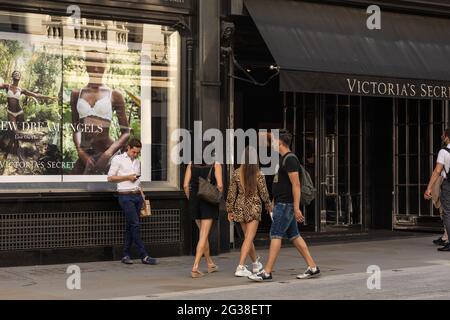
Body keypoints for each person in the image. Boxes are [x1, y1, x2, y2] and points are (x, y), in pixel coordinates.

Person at [249, 130, 320, 281]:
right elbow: (282, 183)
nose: (272, 144)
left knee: (275, 235)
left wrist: (295, 207)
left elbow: (296, 185)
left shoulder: (290, 159)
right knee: (294, 236)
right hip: (282, 203)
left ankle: (267, 272)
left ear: (280, 142)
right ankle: (313, 267)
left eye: (274, 141)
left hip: (286, 205)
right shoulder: (283, 159)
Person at [70, 50, 130, 175]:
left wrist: (108, 154)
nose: (96, 68)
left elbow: (126, 133)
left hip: (108, 153)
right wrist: (81, 152)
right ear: (86, 64)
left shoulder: (114, 95)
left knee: (108, 192)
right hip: (86, 154)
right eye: (92, 62)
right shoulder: (77, 94)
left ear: (105, 65)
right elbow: (76, 127)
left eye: (100, 63)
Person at [107, 138, 157, 265]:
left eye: (137, 153)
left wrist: (142, 194)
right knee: (135, 224)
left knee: (130, 226)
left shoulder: (137, 162)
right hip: (125, 196)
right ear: (128, 148)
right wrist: (127, 177)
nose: (135, 155)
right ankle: (144, 255)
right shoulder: (118, 159)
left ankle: (126, 255)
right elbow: (110, 178)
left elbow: (137, 180)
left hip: (136, 196)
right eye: (134, 152)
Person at [226, 146, 271, 277]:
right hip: (253, 207)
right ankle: (240, 266)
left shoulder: (236, 173)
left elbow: (231, 193)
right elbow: (264, 193)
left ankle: (256, 265)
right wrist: (268, 204)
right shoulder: (259, 174)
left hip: (239, 207)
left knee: (248, 238)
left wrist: (229, 210)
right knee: (248, 238)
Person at [183, 146, 223, 278]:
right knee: (204, 235)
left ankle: (210, 263)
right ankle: (195, 267)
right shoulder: (216, 164)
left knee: (202, 234)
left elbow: (185, 185)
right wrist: (217, 196)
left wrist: (191, 198)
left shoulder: (191, 164)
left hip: (194, 200)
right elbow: (220, 185)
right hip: (207, 201)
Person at [0, 71, 54, 159]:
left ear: (20, 77)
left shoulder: (21, 90)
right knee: (15, 132)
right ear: (12, 76)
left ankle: (7, 153)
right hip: (11, 114)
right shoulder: (7, 86)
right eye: (15, 73)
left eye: (18, 74)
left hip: (20, 113)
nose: (17, 74)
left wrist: (49, 97)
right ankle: (20, 155)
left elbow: (36, 95)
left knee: (15, 134)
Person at [425, 128, 450, 251]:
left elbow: (437, 171)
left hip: (448, 185)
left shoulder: (443, 152)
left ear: (446, 137)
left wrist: (429, 188)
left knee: (447, 213)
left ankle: (449, 240)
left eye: (443, 135)